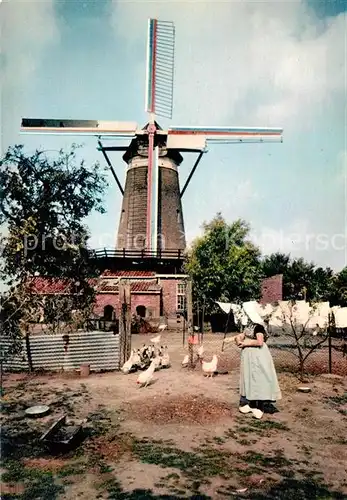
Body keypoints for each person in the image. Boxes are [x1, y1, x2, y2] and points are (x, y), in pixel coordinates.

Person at [235, 320, 281, 419]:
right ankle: (251, 404)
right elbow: (241, 335)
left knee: (259, 378)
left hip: (258, 356)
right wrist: (239, 340)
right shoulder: (249, 326)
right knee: (250, 377)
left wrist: (246, 343)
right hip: (249, 357)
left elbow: (260, 342)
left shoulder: (259, 327)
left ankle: (260, 406)